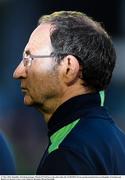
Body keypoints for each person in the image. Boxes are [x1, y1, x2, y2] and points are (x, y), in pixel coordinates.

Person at [13, 11, 125, 175]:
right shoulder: (118, 142)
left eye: (29, 59)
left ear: (68, 68)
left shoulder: (68, 155)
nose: (17, 72)